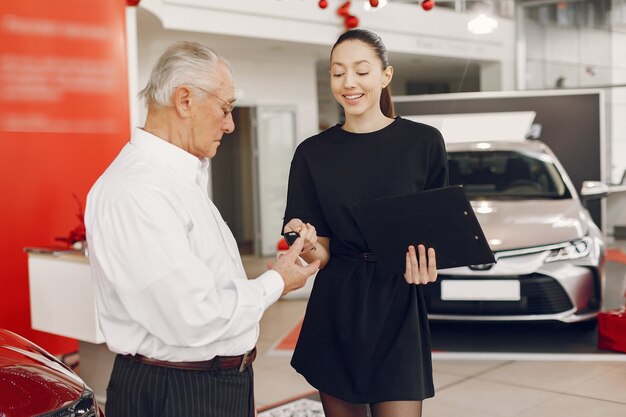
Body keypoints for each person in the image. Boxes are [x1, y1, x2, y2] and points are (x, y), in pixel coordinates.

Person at [85, 41, 319, 417]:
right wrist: (277, 281)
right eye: (226, 108)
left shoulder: (177, 179)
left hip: (207, 385)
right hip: (176, 392)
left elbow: (207, 286)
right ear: (184, 100)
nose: (230, 124)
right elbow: (194, 316)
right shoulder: (139, 190)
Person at [282, 29, 448, 417]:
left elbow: (437, 229)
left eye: (361, 71)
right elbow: (320, 250)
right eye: (338, 73)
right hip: (338, 305)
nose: (349, 83)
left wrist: (429, 263)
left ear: (385, 75)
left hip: (399, 302)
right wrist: (307, 244)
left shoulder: (423, 142)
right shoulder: (312, 153)